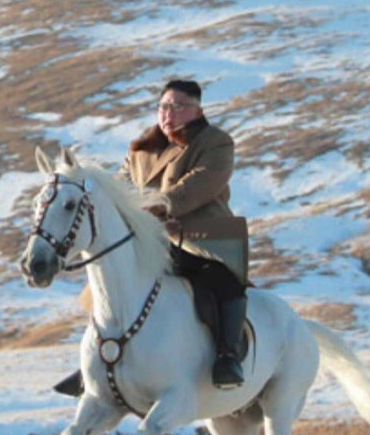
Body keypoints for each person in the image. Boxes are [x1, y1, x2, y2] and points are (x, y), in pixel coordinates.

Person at [53, 79, 247, 396]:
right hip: (151, 239)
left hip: (203, 237)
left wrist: (158, 206)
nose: (168, 113)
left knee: (223, 283)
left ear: (197, 110)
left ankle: (227, 357)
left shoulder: (216, 143)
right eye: (163, 106)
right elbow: (122, 186)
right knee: (106, 287)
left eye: (178, 106)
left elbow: (200, 184)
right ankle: (98, 362)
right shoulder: (141, 147)